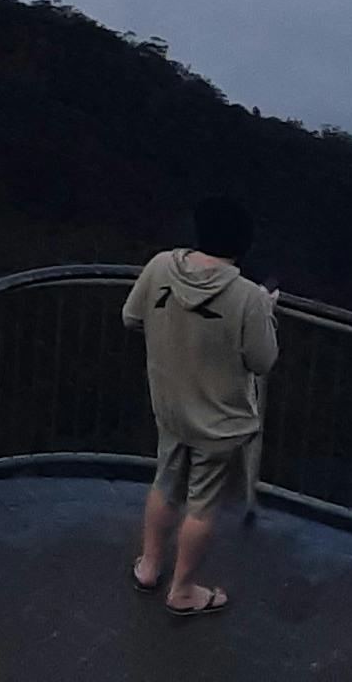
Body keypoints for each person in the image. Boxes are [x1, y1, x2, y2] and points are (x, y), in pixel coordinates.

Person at [125, 195, 277, 620]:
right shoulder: (247, 296)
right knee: (202, 504)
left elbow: (132, 317)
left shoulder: (159, 266)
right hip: (219, 421)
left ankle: (149, 567)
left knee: (165, 483)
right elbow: (262, 360)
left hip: (170, 405)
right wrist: (265, 312)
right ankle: (183, 591)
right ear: (243, 245)